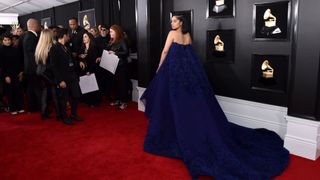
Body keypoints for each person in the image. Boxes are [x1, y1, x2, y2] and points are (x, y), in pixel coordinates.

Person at [141, 15, 289, 179]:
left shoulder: (172, 34)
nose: (172, 23)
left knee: (172, 104)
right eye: (171, 21)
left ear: (181, 22)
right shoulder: (188, 36)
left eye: (175, 21)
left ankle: (175, 134)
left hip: (175, 76)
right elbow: (190, 59)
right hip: (189, 77)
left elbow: (165, 51)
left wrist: (159, 68)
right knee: (188, 108)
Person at [50, 28, 85, 125]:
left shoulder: (66, 47)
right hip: (63, 78)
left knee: (76, 96)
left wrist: (79, 63)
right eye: (68, 35)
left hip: (72, 76)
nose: (69, 37)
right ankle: (64, 116)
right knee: (64, 99)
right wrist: (60, 80)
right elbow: (54, 66)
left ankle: (73, 114)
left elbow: (71, 61)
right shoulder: (54, 48)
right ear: (64, 35)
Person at [34, 29, 60, 120]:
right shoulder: (51, 47)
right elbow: (52, 64)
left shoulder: (39, 46)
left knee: (45, 92)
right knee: (54, 93)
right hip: (47, 73)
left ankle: (43, 113)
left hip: (40, 72)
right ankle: (59, 114)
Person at [106, 25, 130, 110]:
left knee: (122, 84)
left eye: (111, 31)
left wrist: (115, 53)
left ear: (116, 32)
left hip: (121, 66)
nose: (110, 33)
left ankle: (124, 102)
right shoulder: (111, 41)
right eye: (110, 31)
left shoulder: (122, 40)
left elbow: (126, 52)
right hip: (113, 66)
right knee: (115, 84)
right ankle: (118, 100)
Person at [0, 33, 24, 115]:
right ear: (2, 41)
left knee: (18, 91)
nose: (7, 42)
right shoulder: (1, 50)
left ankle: (20, 107)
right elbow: (1, 65)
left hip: (17, 73)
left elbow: (20, 61)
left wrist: (21, 72)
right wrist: (5, 76)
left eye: (9, 40)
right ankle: (12, 108)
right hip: (7, 74)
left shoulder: (15, 49)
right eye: (5, 40)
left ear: (11, 40)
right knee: (10, 92)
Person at [77, 32, 101, 107]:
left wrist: (89, 71)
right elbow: (78, 58)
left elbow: (95, 61)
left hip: (93, 69)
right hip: (84, 70)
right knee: (86, 86)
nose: (84, 38)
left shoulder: (94, 47)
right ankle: (88, 100)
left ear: (89, 38)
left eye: (85, 37)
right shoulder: (82, 48)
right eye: (83, 37)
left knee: (94, 86)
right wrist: (81, 58)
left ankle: (94, 102)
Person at [23, 18, 41, 112]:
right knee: (36, 88)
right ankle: (38, 108)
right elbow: (32, 55)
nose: (39, 26)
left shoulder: (27, 36)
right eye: (38, 24)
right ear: (34, 25)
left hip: (29, 68)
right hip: (33, 68)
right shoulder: (31, 37)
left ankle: (33, 107)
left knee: (31, 88)